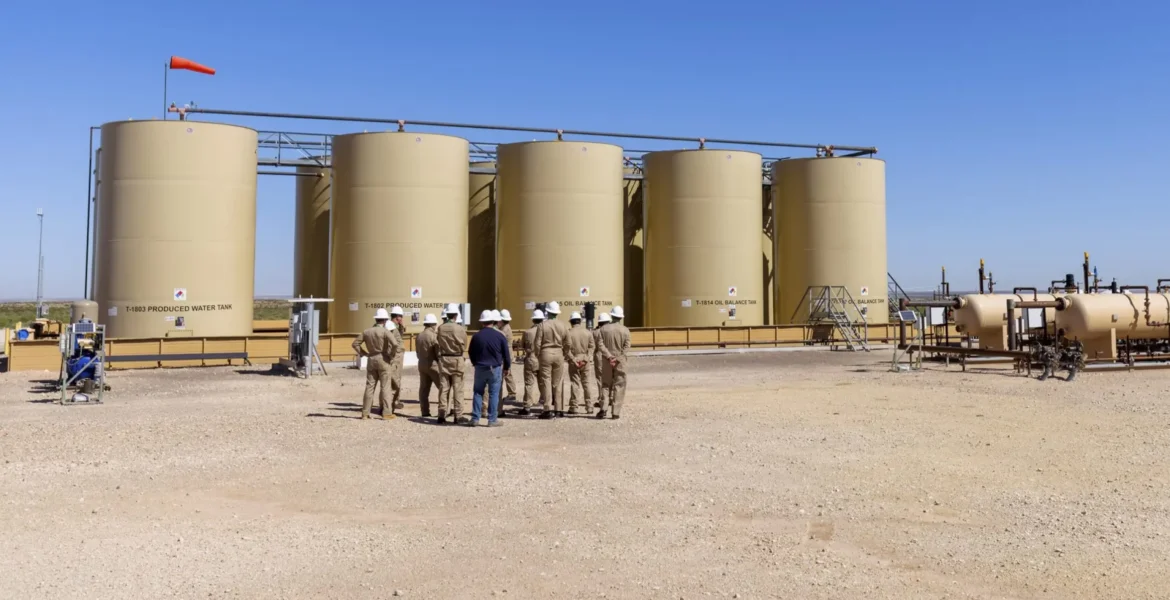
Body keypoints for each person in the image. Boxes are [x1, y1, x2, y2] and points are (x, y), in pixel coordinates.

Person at [351, 308, 399, 420]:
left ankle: (365, 412)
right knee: (385, 387)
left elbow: (355, 344)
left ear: (376, 319)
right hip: (384, 359)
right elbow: (395, 344)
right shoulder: (385, 332)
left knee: (369, 386)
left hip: (371, 359)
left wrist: (364, 353)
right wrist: (391, 355)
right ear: (385, 320)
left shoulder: (367, 331)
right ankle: (387, 413)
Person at [468, 309, 510, 427]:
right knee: (493, 394)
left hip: (480, 367)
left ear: (482, 322)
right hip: (494, 368)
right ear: (493, 321)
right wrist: (507, 367)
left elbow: (471, 352)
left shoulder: (476, 336)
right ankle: (492, 420)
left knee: (478, 392)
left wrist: (475, 363)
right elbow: (506, 354)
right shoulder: (500, 336)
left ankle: (475, 418)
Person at [533, 300, 571, 419]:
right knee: (558, 382)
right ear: (557, 313)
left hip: (545, 353)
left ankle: (547, 409)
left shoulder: (542, 325)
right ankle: (559, 409)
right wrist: (564, 353)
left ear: (547, 312)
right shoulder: (563, 325)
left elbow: (537, 343)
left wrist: (538, 354)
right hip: (559, 353)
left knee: (546, 381)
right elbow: (568, 342)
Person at [435, 304, 469, 425]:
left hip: (444, 359)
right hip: (456, 359)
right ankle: (458, 415)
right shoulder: (460, 329)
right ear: (456, 315)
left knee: (444, 388)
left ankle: (441, 415)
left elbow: (438, 342)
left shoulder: (440, 328)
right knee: (457, 388)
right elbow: (464, 344)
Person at [598, 305, 631, 419]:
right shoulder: (625, 330)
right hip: (620, 361)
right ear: (621, 317)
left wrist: (609, 356)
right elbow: (626, 347)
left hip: (607, 361)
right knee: (619, 385)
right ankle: (615, 412)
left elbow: (600, 345)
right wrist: (617, 358)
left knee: (606, 385)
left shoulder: (603, 329)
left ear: (612, 315)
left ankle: (603, 408)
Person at [565, 311, 595, 414]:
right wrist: (586, 359)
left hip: (574, 360)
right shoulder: (587, 332)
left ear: (571, 322)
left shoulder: (568, 333)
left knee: (575, 383)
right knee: (586, 384)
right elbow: (592, 347)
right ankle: (589, 406)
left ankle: (574, 407)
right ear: (580, 321)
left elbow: (566, 349)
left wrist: (573, 360)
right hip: (585, 360)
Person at [517, 309, 544, 416]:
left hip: (530, 359)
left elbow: (522, 346)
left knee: (529, 384)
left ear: (533, 320)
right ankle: (544, 405)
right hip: (542, 359)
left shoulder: (527, 332)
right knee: (543, 383)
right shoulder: (545, 332)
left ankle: (527, 407)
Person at [415, 314, 440, 417]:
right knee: (443, 388)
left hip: (422, 364)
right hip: (432, 365)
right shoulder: (434, 336)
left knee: (424, 390)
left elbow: (417, 352)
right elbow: (438, 352)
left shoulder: (419, 336)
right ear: (432, 324)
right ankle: (444, 411)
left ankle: (425, 411)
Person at [389, 305, 406, 410]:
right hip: (395, 357)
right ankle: (392, 403)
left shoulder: (395, 327)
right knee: (395, 379)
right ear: (397, 317)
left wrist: (401, 327)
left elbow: (399, 337)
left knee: (397, 378)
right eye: (401, 317)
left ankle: (396, 400)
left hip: (398, 356)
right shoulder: (391, 327)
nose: (402, 319)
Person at [498, 309, 516, 407]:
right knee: (508, 373)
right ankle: (512, 392)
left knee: (507, 374)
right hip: (508, 353)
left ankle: (512, 393)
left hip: (506, 354)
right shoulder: (506, 327)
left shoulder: (504, 330)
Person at [592, 312, 610, 405]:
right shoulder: (610, 331)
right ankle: (611, 397)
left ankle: (602, 398)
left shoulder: (595, 332)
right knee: (610, 376)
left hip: (599, 355)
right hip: (609, 354)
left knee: (600, 378)